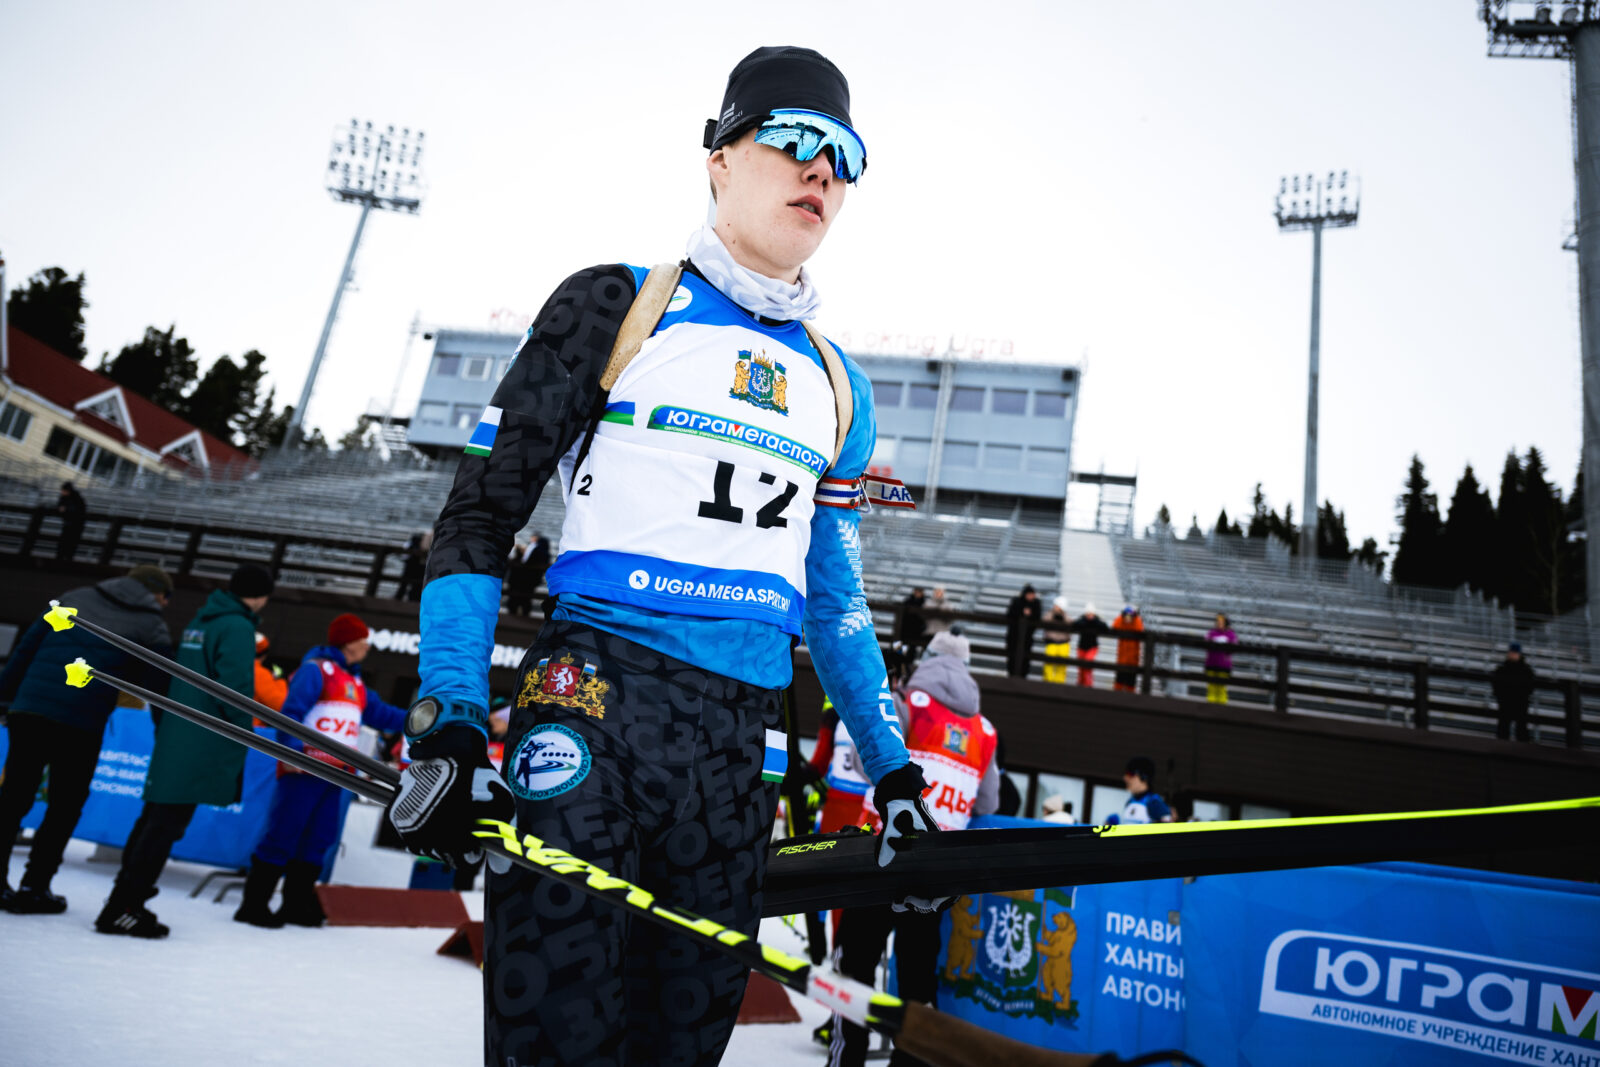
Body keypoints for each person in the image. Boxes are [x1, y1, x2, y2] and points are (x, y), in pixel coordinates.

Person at [386, 46, 931, 1067]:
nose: (822, 169)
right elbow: (479, 516)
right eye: (794, 139)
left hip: (738, 750)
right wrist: (449, 714)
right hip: (595, 705)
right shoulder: (615, 304)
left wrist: (895, 771)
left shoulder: (838, 387)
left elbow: (838, 605)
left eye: (845, 155)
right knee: (556, 1044)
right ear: (719, 157)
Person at [831, 628, 999, 1067]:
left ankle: (846, 1059)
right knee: (918, 980)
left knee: (854, 969)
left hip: (882, 853)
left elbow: (868, 762)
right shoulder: (984, 730)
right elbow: (988, 803)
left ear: (927, 659)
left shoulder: (908, 703)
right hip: (937, 870)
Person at [96, 563, 276, 938]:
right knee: (164, 828)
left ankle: (121, 902)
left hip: (179, 735)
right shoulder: (237, 626)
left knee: (153, 822)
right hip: (202, 740)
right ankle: (125, 907)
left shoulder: (202, 621)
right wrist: (244, 734)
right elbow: (234, 690)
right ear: (260, 596)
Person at [0, 565, 173, 913]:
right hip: (81, 723)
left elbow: (26, 649)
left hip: (30, 712)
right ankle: (35, 887)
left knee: (13, 798)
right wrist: (164, 732)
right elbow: (156, 685)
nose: (166, 605)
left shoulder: (72, 598)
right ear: (156, 593)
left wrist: (6, 698)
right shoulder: (150, 624)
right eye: (166, 598)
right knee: (64, 807)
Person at [235, 613, 404, 928]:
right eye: (363, 640)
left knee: (319, 837)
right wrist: (291, 752)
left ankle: (295, 904)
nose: (367, 646)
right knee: (284, 832)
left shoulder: (355, 681)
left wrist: (423, 718)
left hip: (336, 773)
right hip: (306, 768)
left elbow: (382, 714)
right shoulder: (316, 670)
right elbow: (291, 712)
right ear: (349, 642)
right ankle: (253, 904)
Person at [1104, 756, 1173, 825]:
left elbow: (1167, 828)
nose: (1125, 778)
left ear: (1143, 776)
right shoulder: (1130, 802)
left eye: (1130, 774)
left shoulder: (1154, 802)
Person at [1491, 642, 1536, 742]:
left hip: (1518, 702)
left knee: (1519, 729)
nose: (1512, 655)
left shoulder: (1522, 670)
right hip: (1509, 702)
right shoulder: (1523, 670)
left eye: (1514, 653)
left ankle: (1518, 748)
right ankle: (1505, 747)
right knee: (1505, 728)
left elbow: (1530, 687)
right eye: (1511, 653)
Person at [504, 533, 550, 617]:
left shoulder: (537, 549)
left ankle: (514, 618)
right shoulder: (540, 550)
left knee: (517, 601)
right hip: (528, 581)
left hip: (522, 580)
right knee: (523, 601)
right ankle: (520, 617)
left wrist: (520, 552)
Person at [1004, 583, 1041, 678]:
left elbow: (1037, 618)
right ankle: (1011, 675)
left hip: (1027, 638)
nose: (1031, 597)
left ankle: (1023, 677)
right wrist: (1022, 612)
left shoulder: (1036, 604)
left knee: (1025, 658)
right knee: (1012, 657)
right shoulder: (1017, 602)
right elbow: (1010, 615)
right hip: (1014, 636)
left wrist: (1029, 615)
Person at [1070, 604, 1109, 687]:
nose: (1089, 615)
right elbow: (1075, 625)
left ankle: (1088, 686)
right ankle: (1080, 685)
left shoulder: (1097, 621)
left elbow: (1105, 627)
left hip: (1092, 647)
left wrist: (1094, 621)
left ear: (1094, 614)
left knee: (1087, 665)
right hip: (1081, 647)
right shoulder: (1082, 620)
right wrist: (1086, 621)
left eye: (1091, 613)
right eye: (1088, 613)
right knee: (1081, 668)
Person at [1204, 613, 1237, 703]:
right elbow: (1206, 644)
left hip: (1224, 664)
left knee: (1222, 687)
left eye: (1221, 621)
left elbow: (1233, 648)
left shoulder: (1231, 634)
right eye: (1218, 621)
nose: (1219, 623)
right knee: (1211, 686)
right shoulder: (1211, 633)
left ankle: (1221, 706)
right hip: (1211, 662)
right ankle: (1210, 705)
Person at [1111, 605, 1144, 693]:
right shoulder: (1121, 623)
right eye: (1126, 616)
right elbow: (1114, 626)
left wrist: (1136, 618)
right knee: (1119, 682)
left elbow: (1139, 629)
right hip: (1122, 659)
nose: (1128, 618)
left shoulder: (1136, 623)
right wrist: (1122, 617)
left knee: (1130, 684)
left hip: (1133, 660)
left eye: (1130, 616)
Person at [1039, 597, 1072, 684]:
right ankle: (1048, 682)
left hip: (1063, 643)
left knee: (1062, 666)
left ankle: (1059, 684)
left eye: (1057, 605)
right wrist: (1053, 616)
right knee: (1048, 664)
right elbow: (1044, 621)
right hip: (1051, 642)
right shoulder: (1050, 614)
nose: (1055, 607)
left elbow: (1070, 624)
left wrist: (1062, 617)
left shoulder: (1066, 616)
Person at [54, 482, 87, 561]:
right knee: (67, 544)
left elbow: (77, 511)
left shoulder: (75, 499)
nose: (62, 492)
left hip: (73, 525)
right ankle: (64, 559)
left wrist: (65, 510)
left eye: (63, 490)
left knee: (67, 544)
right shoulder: (75, 498)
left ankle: (63, 559)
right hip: (72, 525)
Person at [395, 531, 430, 602]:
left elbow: (404, 555)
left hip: (412, 564)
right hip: (419, 565)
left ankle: (400, 598)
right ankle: (410, 599)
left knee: (405, 584)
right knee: (415, 586)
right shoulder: (426, 539)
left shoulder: (412, 543)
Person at [896, 586, 928, 660]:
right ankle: (899, 660)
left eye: (919, 592)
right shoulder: (908, 601)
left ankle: (909, 661)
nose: (917, 593)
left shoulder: (924, 603)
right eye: (916, 591)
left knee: (912, 648)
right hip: (906, 627)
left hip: (917, 629)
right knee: (902, 646)